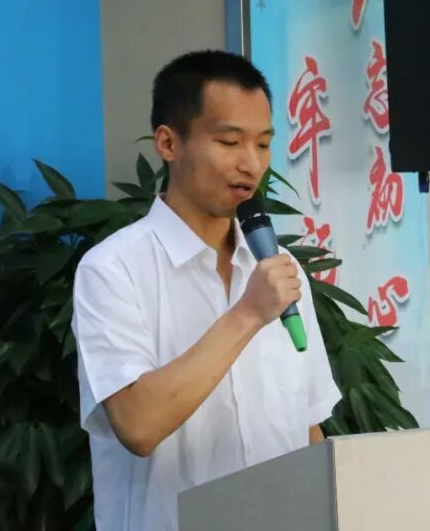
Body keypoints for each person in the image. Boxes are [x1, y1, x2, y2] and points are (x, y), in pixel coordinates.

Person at [73, 50, 341, 531]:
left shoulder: (279, 269)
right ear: (168, 143)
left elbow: (307, 426)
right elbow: (137, 424)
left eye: (263, 144)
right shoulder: (111, 270)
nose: (251, 163)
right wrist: (247, 314)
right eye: (229, 141)